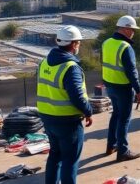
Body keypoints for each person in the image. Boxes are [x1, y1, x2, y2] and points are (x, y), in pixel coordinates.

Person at [37, 25, 93, 184]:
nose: (79, 45)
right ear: (74, 44)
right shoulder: (70, 67)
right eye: (78, 42)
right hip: (68, 120)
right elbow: (77, 96)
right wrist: (88, 111)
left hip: (48, 117)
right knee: (70, 160)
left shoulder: (44, 63)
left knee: (55, 155)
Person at [102, 15, 140, 162]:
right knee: (124, 119)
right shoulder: (125, 47)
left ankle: (111, 145)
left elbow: (105, 63)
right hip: (123, 87)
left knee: (116, 115)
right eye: (132, 30)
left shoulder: (106, 42)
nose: (133, 33)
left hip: (110, 85)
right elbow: (131, 72)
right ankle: (123, 151)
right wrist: (138, 90)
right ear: (126, 29)